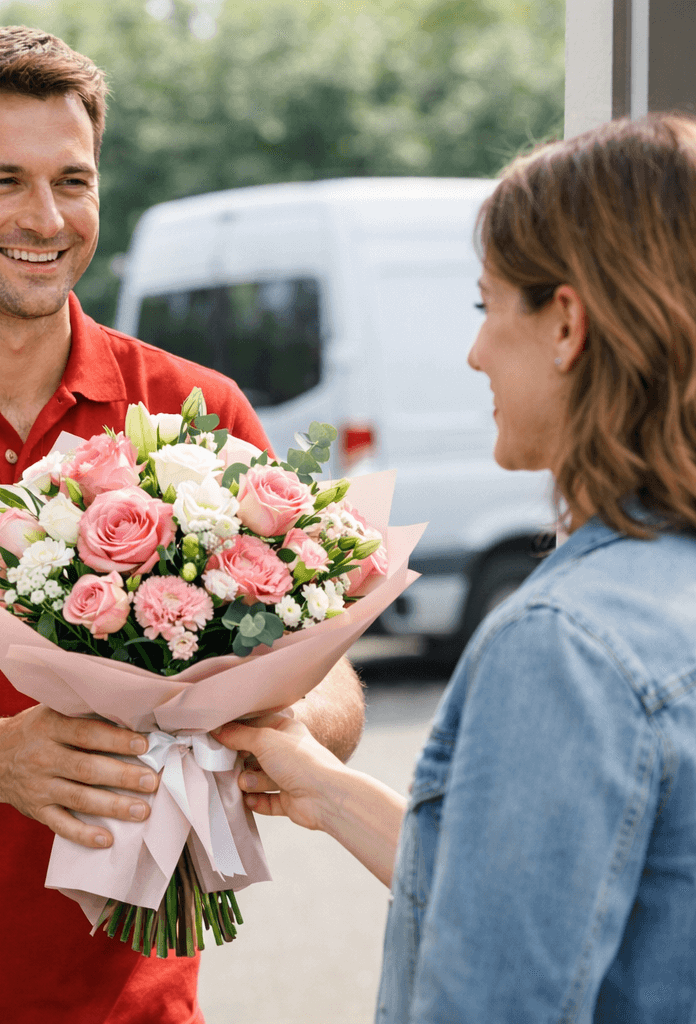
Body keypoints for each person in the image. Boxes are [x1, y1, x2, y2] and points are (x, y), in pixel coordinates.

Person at [0, 25, 364, 1024]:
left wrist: (275, 728)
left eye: (73, 179)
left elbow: (336, 676)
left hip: (140, 1009)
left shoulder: (196, 411)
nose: (47, 217)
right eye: (2, 180)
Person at [216, 113, 696, 1022]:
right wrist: (326, 788)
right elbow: (584, 902)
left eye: (487, 307)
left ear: (566, 324)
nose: (474, 353)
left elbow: (498, 998)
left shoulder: (567, 647)